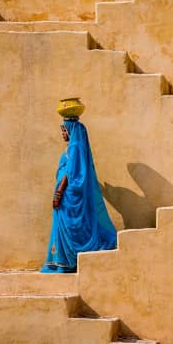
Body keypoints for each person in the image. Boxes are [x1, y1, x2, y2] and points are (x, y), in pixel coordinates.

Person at [42, 117, 117, 273]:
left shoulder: (74, 147)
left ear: (71, 130)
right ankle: (69, 260)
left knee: (71, 226)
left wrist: (58, 193)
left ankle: (69, 261)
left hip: (68, 195)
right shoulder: (74, 147)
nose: (62, 133)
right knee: (72, 226)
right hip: (68, 194)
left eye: (64, 130)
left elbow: (70, 172)